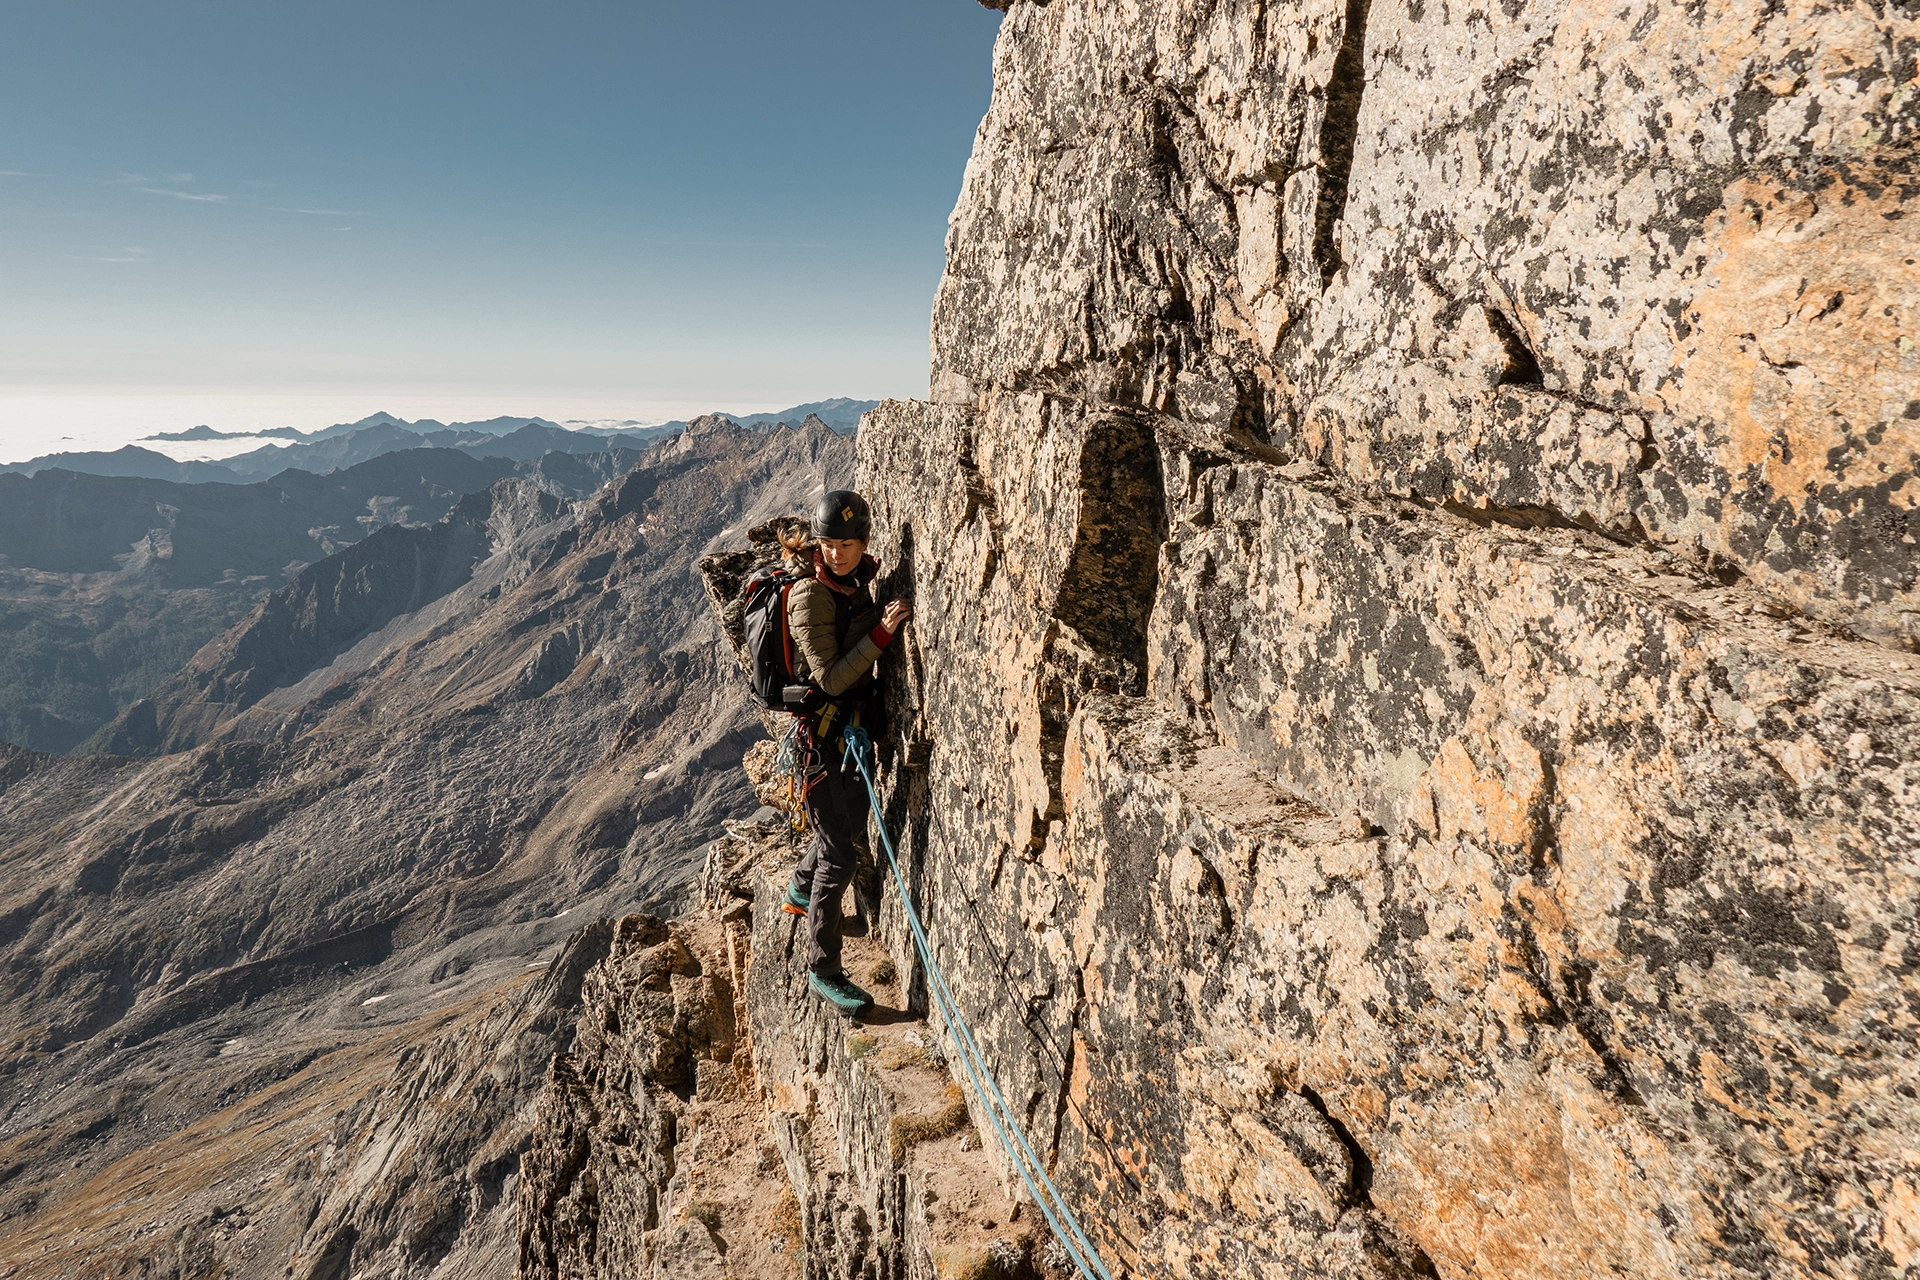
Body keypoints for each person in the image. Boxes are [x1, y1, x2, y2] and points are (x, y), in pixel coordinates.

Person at [779, 489, 911, 1015]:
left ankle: (799, 888)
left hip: (845, 734)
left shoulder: (854, 583)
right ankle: (823, 969)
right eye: (829, 544)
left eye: (848, 544)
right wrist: (882, 632)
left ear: (864, 543)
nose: (837, 553)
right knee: (839, 851)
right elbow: (832, 678)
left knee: (847, 822)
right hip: (823, 742)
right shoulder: (812, 595)